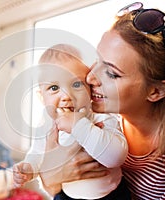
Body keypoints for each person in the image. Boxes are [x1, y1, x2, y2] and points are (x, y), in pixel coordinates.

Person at [39, 2, 165, 200]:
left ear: (156, 91)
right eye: (96, 61)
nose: (90, 78)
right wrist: (50, 181)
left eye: (111, 74)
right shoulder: (98, 124)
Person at [13, 44, 130, 199]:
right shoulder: (46, 126)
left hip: (111, 195)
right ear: (41, 97)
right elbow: (38, 154)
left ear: (90, 89)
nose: (66, 95)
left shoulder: (101, 117)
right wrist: (29, 168)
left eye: (76, 84)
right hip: (68, 196)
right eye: (54, 87)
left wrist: (79, 125)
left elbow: (116, 157)